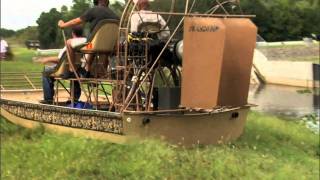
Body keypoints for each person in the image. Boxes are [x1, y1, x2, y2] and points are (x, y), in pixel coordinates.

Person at [58, 0, 119, 78]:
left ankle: (72, 70)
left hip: (92, 46)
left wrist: (63, 25)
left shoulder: (94, 10)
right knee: (94, 44)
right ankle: (89, 70)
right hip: (108, 48)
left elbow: (75, 21)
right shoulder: (115, 16)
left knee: (69, 42)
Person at [35, 26, 86, 104]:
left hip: (66, 71)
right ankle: (74, 98)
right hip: (79, 71)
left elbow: (61, 60)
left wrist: (47, 59)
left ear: (73, 33)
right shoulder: (84, 43)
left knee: (46, 71)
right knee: (74, 74)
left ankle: (48, 99)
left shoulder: (69, 44)